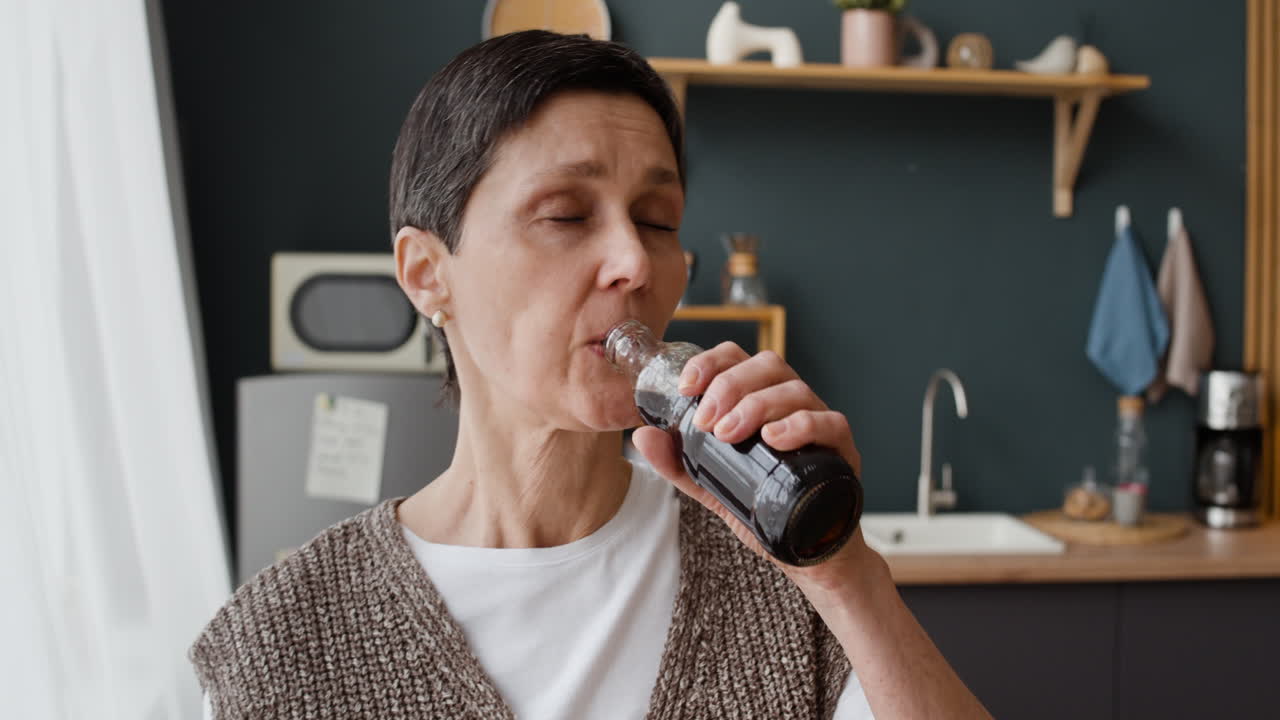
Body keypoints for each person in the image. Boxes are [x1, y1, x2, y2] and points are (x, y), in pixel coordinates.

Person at [190, 30, 991, 720]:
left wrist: (850, 579)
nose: (635, 260)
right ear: (428, 273)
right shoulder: (281, 642)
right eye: (567, 215)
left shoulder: (783, 576)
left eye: (658, 221)